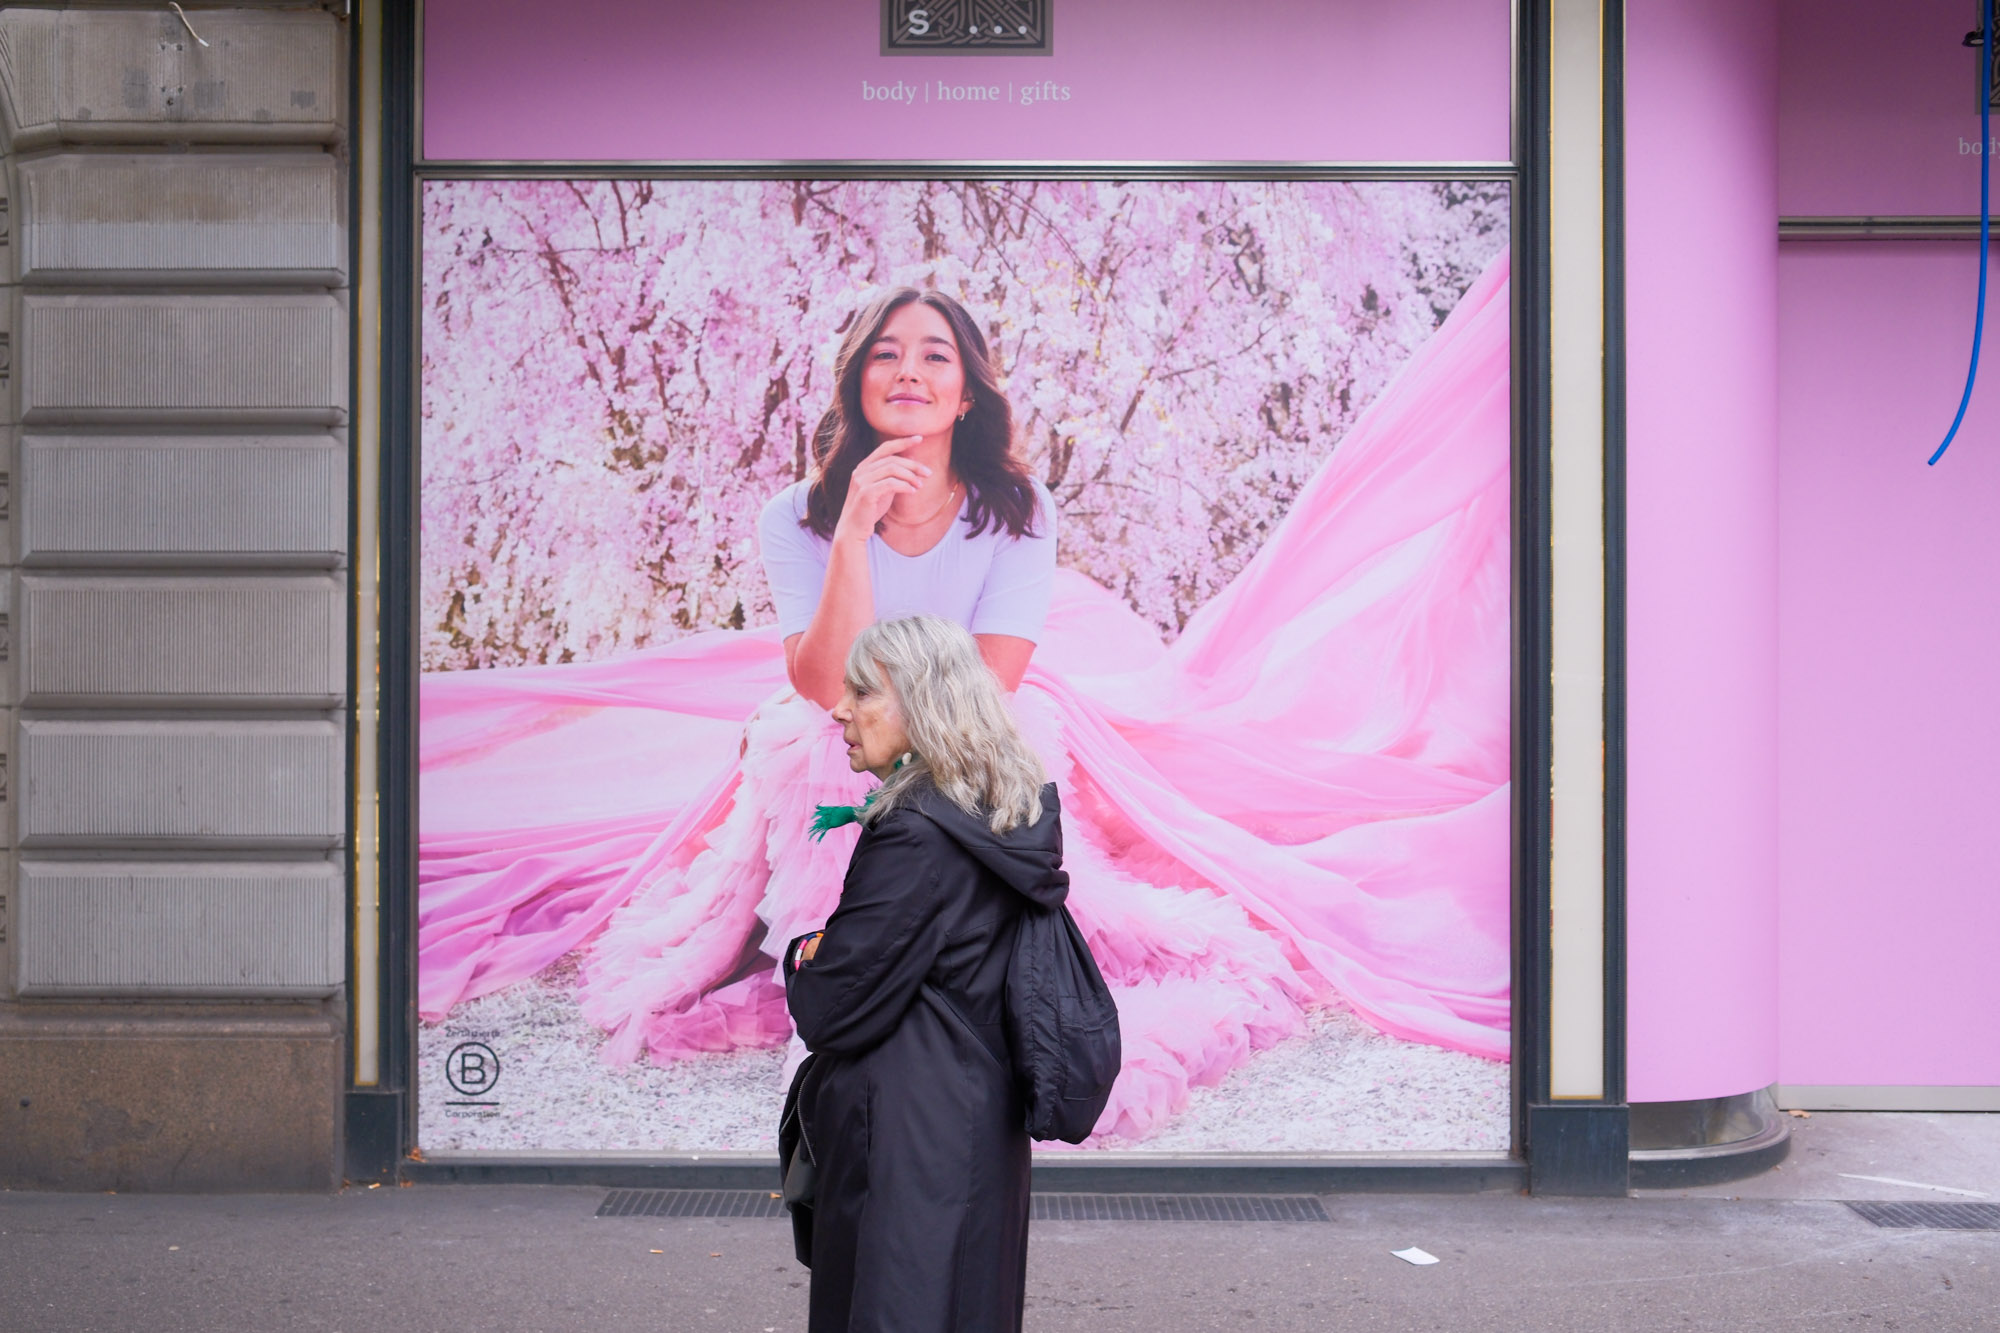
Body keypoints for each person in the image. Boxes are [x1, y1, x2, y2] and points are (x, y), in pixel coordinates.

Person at [572, 288, 1058, 1063]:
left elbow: (994, 677)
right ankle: (841, 982)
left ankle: (948, 962)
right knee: (834, 746)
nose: (908, 370)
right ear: (858, 382)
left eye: (935, 355)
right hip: (840, 731)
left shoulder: (1016, 510)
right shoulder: (795, 516)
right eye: (885, 354)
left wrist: (893, 713)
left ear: (967, 394)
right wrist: (855, 529)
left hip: (971, 729)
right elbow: (829, 685)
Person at [783, 614, 1062, 1333]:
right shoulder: (996, 817)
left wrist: (805, 953)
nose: (839, 710)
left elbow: (833, 1005)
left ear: (923, 701)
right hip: (972, 1117)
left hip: (905, 1133)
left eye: (861, 692)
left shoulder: (913, 835)